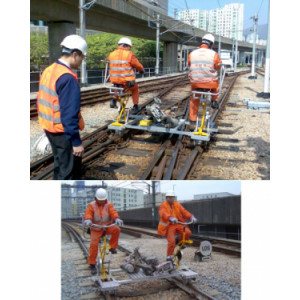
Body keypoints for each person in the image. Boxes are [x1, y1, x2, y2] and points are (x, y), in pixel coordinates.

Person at [37, 35, 87, 179]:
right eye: (82, 58)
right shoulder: (67, 77)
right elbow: (69, 113)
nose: (81, 61)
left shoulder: (49, 70)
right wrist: (76, 142)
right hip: (63, 132)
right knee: (69, 172)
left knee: (60, 164)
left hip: (49, 127)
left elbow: (41, 100)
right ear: (75, 54)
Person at [83, 188, 124, 275]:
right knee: (94, 244)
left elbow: (113, 212)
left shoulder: (109, 205)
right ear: (96, 198)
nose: (101, 201)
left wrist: (116, 218)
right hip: (96, 228)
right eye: (100, 200)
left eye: (103, 200)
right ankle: (92, 264)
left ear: (106, 199)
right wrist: (88, 220)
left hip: (107, 227)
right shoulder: (91, 205)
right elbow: (88, 213)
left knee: (117, 229)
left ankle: (113, 247)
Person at [188, 33, 222, 123]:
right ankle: (214, 101)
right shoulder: (214, 54)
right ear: (211, 44)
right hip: (210, 83)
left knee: (194, 97)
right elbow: (218, 66)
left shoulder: (192, 53)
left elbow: (189, 64)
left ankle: (192, 119)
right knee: (216, 85)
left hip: (195, 82)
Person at [108, 37, 144, 114]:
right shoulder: (129, 54)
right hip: (127, 80)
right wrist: (141, 70)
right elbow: (137, 65)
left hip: (115, 80)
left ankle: (113, 100)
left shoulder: (112, 54)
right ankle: (136, 106)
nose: (129, 49)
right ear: (126, 46)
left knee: (119, 87)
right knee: (135, 90)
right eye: (129, 47)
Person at [157, 190, 197, 257]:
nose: (171, 198)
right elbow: (163, 213)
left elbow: (184, 212)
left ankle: (178, 242)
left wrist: (191, 217)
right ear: (166, 198)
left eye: (172, 197)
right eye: (169, 197)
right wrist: (170, 218)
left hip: (178, 224)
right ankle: (169, 257)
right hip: (169, 225)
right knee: (171, 242)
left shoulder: (177, 204)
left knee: (187, 232)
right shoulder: (163, 205)